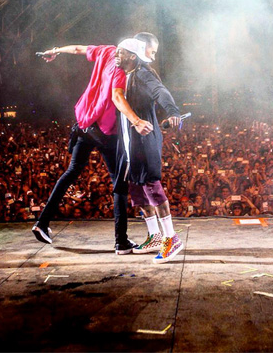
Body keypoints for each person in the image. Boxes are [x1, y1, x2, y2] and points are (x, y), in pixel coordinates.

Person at [31, 41, 153, 255]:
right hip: (104, 133)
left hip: (84, 124)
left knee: (72, 172)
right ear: (132, 57)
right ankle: (121, 242)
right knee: (119, 184)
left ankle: (42, 223)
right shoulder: (120, 72)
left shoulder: (106, 51)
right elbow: (117, 97)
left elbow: (78, 49)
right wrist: (136, 121)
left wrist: (55, 50)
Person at [114, 38, 183, 264]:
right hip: (131, 139)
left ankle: (171, 238)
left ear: (132, 56)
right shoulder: (127, 74)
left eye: (121, 52)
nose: (117, 54)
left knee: (151, 185)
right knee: (136, 188)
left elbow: (160, 91)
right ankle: (154, 236)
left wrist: (172, 111)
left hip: (145, 138)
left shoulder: (143, 72)